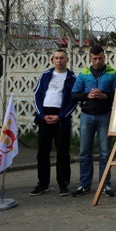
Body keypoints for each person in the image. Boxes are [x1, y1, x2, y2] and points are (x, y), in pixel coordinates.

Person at [71, 45, 116, 197]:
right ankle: (84, 185)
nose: (97, 61)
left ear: (104, 57)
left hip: (105, 115)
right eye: (94, 59)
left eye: (100, 58)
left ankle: (105, 184)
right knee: (84, 152)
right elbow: (74, 95)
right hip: (87, 116)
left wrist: (104, 96)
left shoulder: (112, 73)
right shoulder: (84, 74)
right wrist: (87, 96)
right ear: (90, 58)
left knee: (105, 153)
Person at [30, 49, 77, 197]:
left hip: (61, 120)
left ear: (67, 60)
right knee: (43, 152)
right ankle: (42, 184)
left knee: (63, 153)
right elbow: (37, 96)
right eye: (56, 58)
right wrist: (42, 115)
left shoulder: (72, 78)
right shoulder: (45, 76)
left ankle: (63, 184)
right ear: (52, 60)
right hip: (45, 117)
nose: (59, 60)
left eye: (62, 58)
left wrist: (61, 116)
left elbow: (73, 101)